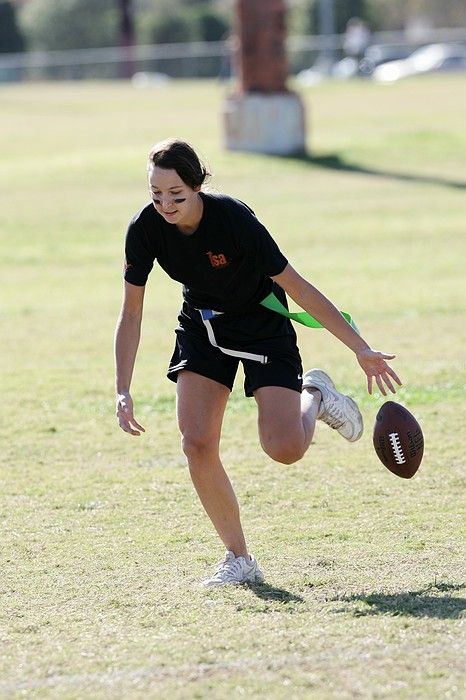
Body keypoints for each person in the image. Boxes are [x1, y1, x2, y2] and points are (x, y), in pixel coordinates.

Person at [114, 138, 401, 587]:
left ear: (198, 186)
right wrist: (122, 388)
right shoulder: (145, 228)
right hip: (204, 328)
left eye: (176, 195)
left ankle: (316, 393)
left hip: (263, 323)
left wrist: (359, 347)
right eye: (156, 194)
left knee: (284, 449)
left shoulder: (233, 220)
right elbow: (131, 312)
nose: (165, 205)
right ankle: (239, 558)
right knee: (196, 443)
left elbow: (299, 287)